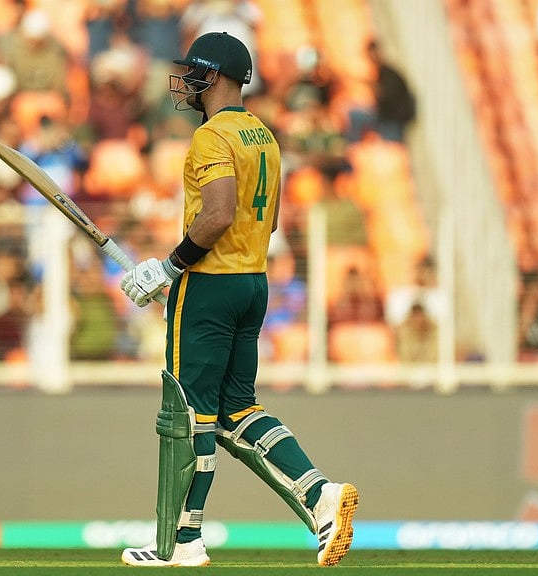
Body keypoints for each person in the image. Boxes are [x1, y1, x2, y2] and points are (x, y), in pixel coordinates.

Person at [117, 32, 358, 568]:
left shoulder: (211, 137)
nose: (187, 81)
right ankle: (319, 494)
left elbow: (219, 212)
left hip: (209, 284)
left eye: (195, 71)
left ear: (216, 75)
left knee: (190, 416)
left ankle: (182, 541)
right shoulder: (264, 136)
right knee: (236, 410)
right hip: (253, 282)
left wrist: (170, 267)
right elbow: (267, 222)